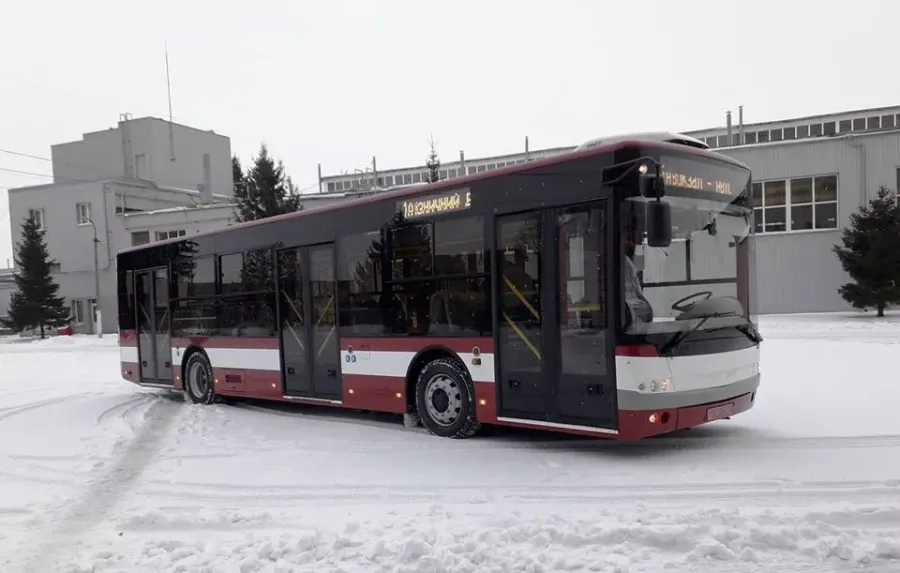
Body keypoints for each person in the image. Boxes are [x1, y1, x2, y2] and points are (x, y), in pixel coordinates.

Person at [621, 219, 654, 328]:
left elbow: (636, 287)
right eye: (627, 238)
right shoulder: (622, 261)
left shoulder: (629, 261)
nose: (631, 243)